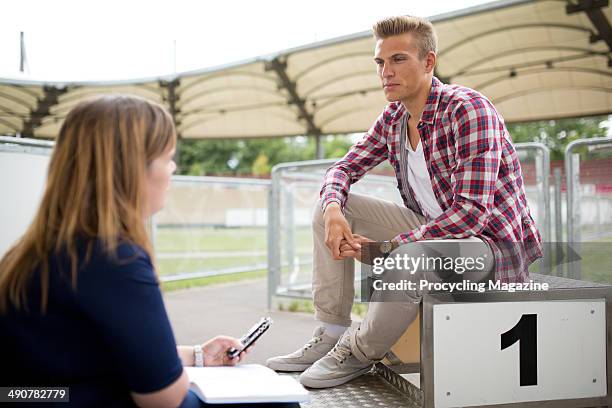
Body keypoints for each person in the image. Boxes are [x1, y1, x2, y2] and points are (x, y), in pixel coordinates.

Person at [266, 15, 543, 388]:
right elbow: (342, 169)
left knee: (408, 258)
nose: (386, 72)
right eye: (380, 62)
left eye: (399, 59)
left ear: (429, 62)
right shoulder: (394, 117)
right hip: (434, 232)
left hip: (489, 246)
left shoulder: (468, 109)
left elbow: (471, 215)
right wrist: (333, 209)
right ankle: (331, 331)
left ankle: (359, 353)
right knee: (327, 209)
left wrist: (389, 247)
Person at [0, 95, 298, 408]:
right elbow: (165, 398)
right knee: (280, 403)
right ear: (130, 169)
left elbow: (88, 356)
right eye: (166, 157)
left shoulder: (32, 252)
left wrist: (198, 355)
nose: (173, 168)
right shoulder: (115, 259)